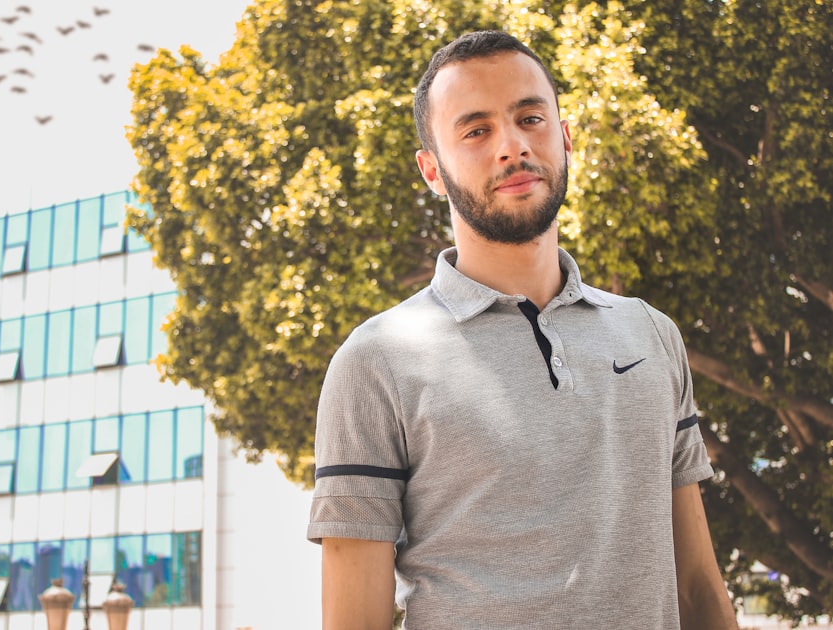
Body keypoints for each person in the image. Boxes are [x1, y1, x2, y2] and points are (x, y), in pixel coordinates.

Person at [307, 30, 738, 630]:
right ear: (432, 170)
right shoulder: (376, 362)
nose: (512, 146)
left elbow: (697, 588)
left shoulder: (652, 334)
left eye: (530, 117)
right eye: (476, 130)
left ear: (564, 138)